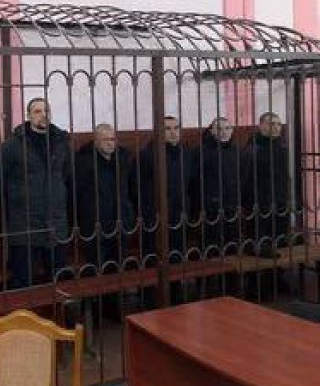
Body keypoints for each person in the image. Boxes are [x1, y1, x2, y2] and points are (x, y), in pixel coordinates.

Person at [1, 97, 71, 288]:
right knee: (23, 282)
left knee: (57, 281)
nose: (43, 115)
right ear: (28, 115)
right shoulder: (13, 146)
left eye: (46, 111)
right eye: (37, 111)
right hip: (25, 224)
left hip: (56, 222)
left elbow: (67, 175)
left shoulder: (61, 143)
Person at [132, 116, 197, 305]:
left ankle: (175, 296)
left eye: (176, 128)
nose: (173, 132)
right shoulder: (147, 155)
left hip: (179, 213)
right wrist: (147, 210)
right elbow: (136, 186)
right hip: (154, 216)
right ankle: (149, 299)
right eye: (167, 129)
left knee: (176, 256)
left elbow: (191, 182)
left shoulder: (186, 153)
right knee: (152, 257)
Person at [75, 123, 135, 271]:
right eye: (105, 139)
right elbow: (78, 194)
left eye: (112, 139)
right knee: (98, 267)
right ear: (96, 141)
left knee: (119, 266)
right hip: (95, 223)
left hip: (120, 221)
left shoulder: (123, 159)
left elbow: (132, 188)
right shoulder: (83, 162)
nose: (110, 143)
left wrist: (129, 214)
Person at [242, 112, 290, 257]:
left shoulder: (282, 147)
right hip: (260, 201)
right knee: (259, 241)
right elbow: (245, 177)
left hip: (280, 199)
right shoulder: (253, 148)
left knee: (280, 240)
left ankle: (278, 269)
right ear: (261, 126)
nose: (276, 127)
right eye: (271, 124)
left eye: (278, 124)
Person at [197, 117, 242, 257]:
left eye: (227, 128)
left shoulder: (237, 151)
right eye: (219, 128)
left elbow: (243, 176)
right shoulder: (201, 152)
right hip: (210, 206)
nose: (224, 132)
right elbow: (195, 180)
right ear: (212, 131)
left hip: (232, 204)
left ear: (232, 131)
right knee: (212, 246)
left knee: (232, 246)